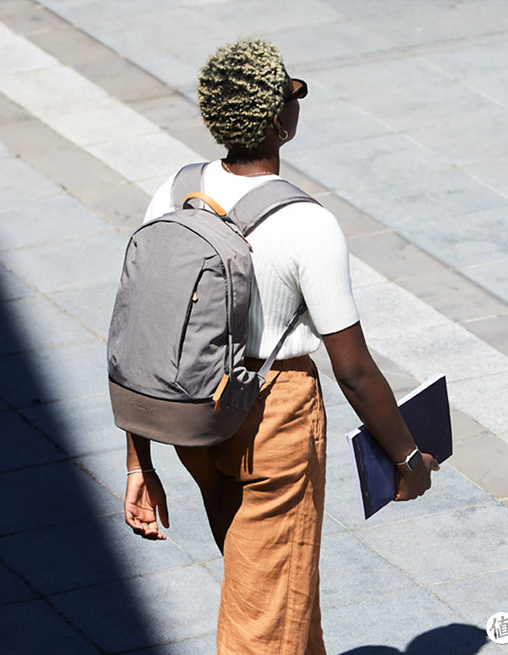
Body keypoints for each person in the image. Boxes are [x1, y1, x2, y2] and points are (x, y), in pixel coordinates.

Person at [123, 38, 439, 655]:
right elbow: (352, 369)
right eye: (292, 89)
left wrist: (140, 461)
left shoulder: (175, 191)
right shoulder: (305, 223)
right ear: (276, 120)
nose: (299, 97)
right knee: (263, 620)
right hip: (274, 422)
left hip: (195, 419)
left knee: (279, 589)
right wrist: (408, 458)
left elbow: (143, 335)